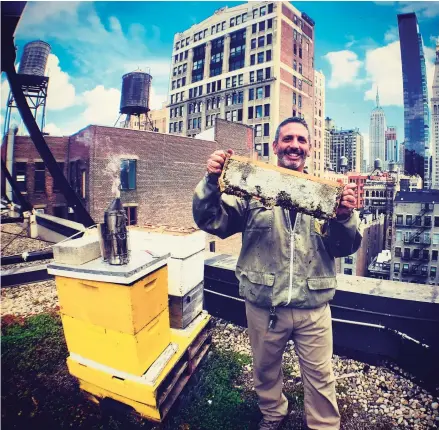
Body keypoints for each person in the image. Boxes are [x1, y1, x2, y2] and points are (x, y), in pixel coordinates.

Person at [192, 117, 362, 430]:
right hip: (264, 303)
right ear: (275, 146)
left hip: (313, 306)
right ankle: (273, 413)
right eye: (288, 139)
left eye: (301, 140)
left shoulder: (330, 195)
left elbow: (344, 246)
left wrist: (345, 217)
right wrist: (210, 181)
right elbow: (212, 220)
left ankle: (324, 425)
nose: (294, 145)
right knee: (265, 369)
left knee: (321, 375)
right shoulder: (252, 190)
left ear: (309, 148)